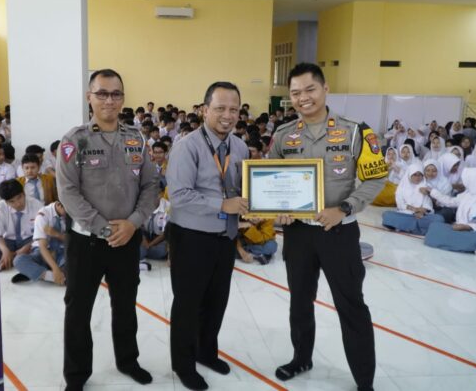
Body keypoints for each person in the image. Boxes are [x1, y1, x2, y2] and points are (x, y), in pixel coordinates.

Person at [268, 63, 387, 391]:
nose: (302, 98)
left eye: (309, 89)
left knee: (351, 305)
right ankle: (301, 358)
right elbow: (270, 179)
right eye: (295, 93)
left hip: (339, 232)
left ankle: (365, 380)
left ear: (325, 89)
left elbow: (376, 176)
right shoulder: (283, 135)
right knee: (300, 301)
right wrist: (278, 210)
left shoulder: (354, 132)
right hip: (298, 234)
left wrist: (345, 208)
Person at [55, 69, 158, 390]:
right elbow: (68, 192)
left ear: (123, 99)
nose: (109, 100)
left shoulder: (136, 138)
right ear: (89, 97)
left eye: (115, 94)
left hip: (127, 239)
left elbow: (152, 185)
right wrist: (104, 229)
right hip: (87, 242)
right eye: (102, 93)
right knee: (78, 311)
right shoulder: (75, 141)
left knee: (126, 306)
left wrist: (133, 223)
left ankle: (128, 361)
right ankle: (76, 375)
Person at [167, 81, 249, 391]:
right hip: (192, 237)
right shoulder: (186, 146)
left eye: (234, 109)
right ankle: (183, 364)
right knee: (188, 304)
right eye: (220, 108)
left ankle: (206, 352)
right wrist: (222, 204)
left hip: (224, 237)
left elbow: (242, 188)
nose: (227, 115)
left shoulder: (239, 147)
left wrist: (254, 201)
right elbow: (179, 195)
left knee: (217, 301)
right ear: (204, 110)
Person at [424, 168, 476, 252]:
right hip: (459, 229)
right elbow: (450, 201)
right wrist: (432, 192)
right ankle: (462, 245)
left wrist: (467, 227)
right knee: (435, 226)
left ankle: (452, 242)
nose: (465, 183)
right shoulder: (468, 194)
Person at [12, 200, 68, 285]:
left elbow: (72, 241)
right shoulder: (43, 214)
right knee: (18, 260)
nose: (70, 215)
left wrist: (57, 234)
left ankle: (36, 273)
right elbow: (42, 248)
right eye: (68, 211)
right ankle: (55, 277)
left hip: (61, 252)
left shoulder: (72, 214)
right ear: (59, 205)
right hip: (41, 253)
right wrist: (55, 269)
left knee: (76, 265)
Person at [381, 163, 444, 235]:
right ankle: (420, 229)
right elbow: (400, 204)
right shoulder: (402, 187)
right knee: (386, 214)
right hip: (406, 214)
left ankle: (405, 227)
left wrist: (422, 212)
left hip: (422, 217)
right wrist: (414, 210)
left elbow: (428, 204)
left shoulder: (425, 186)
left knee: (439, 219)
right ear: (409, 175)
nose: (418, 177)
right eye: (415, 175)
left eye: (420, 175)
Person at [0, 179, 43, 271]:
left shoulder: (37, 205)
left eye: (19, 197)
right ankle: (18, 262)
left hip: (30, 240)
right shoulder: (0, 207)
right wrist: (5, 250)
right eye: (12, 201)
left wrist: (28, 246)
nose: (18, 203)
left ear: (24, 193)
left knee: (41, 251)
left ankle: (16, 261)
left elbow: (43, 235)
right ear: (6, 202)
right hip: (8, 241)